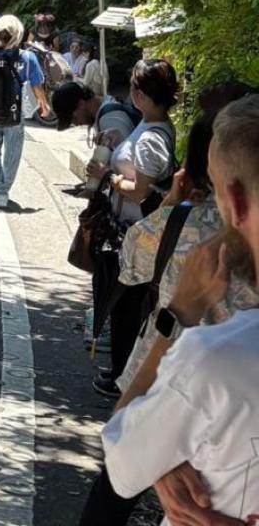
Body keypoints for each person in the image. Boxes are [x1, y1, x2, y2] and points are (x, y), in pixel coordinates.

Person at [74, 83, 257, 526]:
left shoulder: (213, 355)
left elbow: (124, 448)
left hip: (171, 384)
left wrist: (178, 315)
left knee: (111, 497)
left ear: (230, 196)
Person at [85, 58, 180, 397]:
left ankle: (123, 377)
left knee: (129, 307)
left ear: (140, 94)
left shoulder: (154, 135)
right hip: (131, 229)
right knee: (123, 305)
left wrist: (109, 178)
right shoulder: (149, 125)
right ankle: (121, 372)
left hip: (138, 232)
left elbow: (141, 189)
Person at [0, 15, 50, 209]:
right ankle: (4, 190)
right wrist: (44, 105)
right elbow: (37, 85)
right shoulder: (28, 57)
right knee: (12, 154)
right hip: (15, 114)